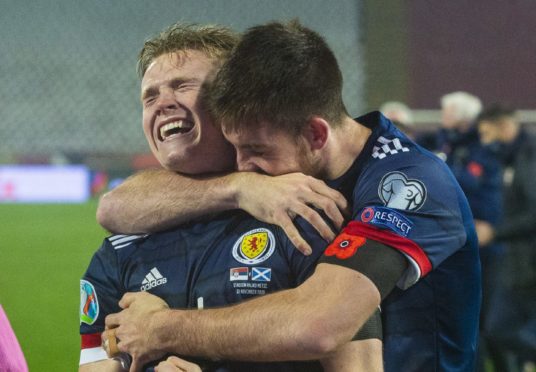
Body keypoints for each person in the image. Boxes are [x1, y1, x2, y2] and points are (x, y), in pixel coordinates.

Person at [101, 20, 481, 372]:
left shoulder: (409, 183)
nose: (243, 165)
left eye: (257, 151)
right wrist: (236, 187)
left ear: (316, 135)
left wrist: (163, 329)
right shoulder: (272, 175)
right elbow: (115, 207)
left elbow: (319, 324)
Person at [79, 22, 381, 372]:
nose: (162, 104)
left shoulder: (307, 219)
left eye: (183, 86)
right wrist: (238, 187)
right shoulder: (118, 252)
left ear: (232, 98)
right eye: (149, 96)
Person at [434, 92, 506, 371]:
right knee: (464, 318)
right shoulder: (446, 143)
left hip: (484, 244)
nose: (442, 117)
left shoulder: (481, 150)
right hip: (457, 240)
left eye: (447, 112)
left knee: (481, 318)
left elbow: (473, 187)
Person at [476, 105, 536, 369]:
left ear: (503, 127)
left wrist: (495, 232)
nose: (484, 140)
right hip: (515, 265)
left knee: (503, 329)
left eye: (487, 132)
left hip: (529, 264)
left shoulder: (530, 157)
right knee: (498, 328)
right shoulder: (509, 158)